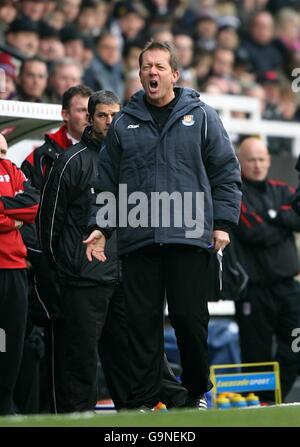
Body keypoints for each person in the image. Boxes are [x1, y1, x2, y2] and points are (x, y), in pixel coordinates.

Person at [84, 41, 242, 410]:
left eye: (159, 66)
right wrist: (101, 227)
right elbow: (107, 181)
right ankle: (142, 400)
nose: (151, 72)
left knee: (189, 321)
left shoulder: (202, 116)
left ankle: (194, 391)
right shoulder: (123, 122)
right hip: (140, 238)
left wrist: (222, 223)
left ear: (174, 74)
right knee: (141, 324)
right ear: (139, 75)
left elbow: (225, 171)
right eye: (145, 67)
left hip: (188, 235)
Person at [39, 90, 189, 412]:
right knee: (79, 363)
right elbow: (49, 225)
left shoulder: (131, 162)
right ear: (89, 120)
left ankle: (138, 418)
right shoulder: (71, 161)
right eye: (103, 115)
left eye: (115, 115)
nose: (110, 121)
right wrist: (66, 269)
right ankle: (77, 421)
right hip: (83, 281)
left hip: (124, 277)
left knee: (129, 357)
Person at [20, 84, 92, 413]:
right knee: (58, 349)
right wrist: (50, 260)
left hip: (96, 272)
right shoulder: (40, 159)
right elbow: (27, 217)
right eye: (82, 111)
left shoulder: (107, 154)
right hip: (56, 276)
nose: (89, 117)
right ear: (65, 116)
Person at [235, 137, 300, 401]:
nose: (258, 165)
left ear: (269, 161)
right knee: (256, 357)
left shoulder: (283, 189)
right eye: (251, 159)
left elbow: (297, 217)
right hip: (254, 292)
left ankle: (274, 400)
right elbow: (251, 231)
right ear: (240, 161)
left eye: (262, 159)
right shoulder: (234, 192)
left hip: (288, 288)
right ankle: (258, 406)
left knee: (295, 348)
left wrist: (273, 218)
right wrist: (281, 221)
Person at [0, 133, 39, 415]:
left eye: (4, 150)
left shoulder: (13, 170)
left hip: (14, 271)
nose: (3, 156)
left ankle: (5, 407)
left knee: (10, 344)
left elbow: (35, 204)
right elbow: (23, 210)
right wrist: (13, 218)